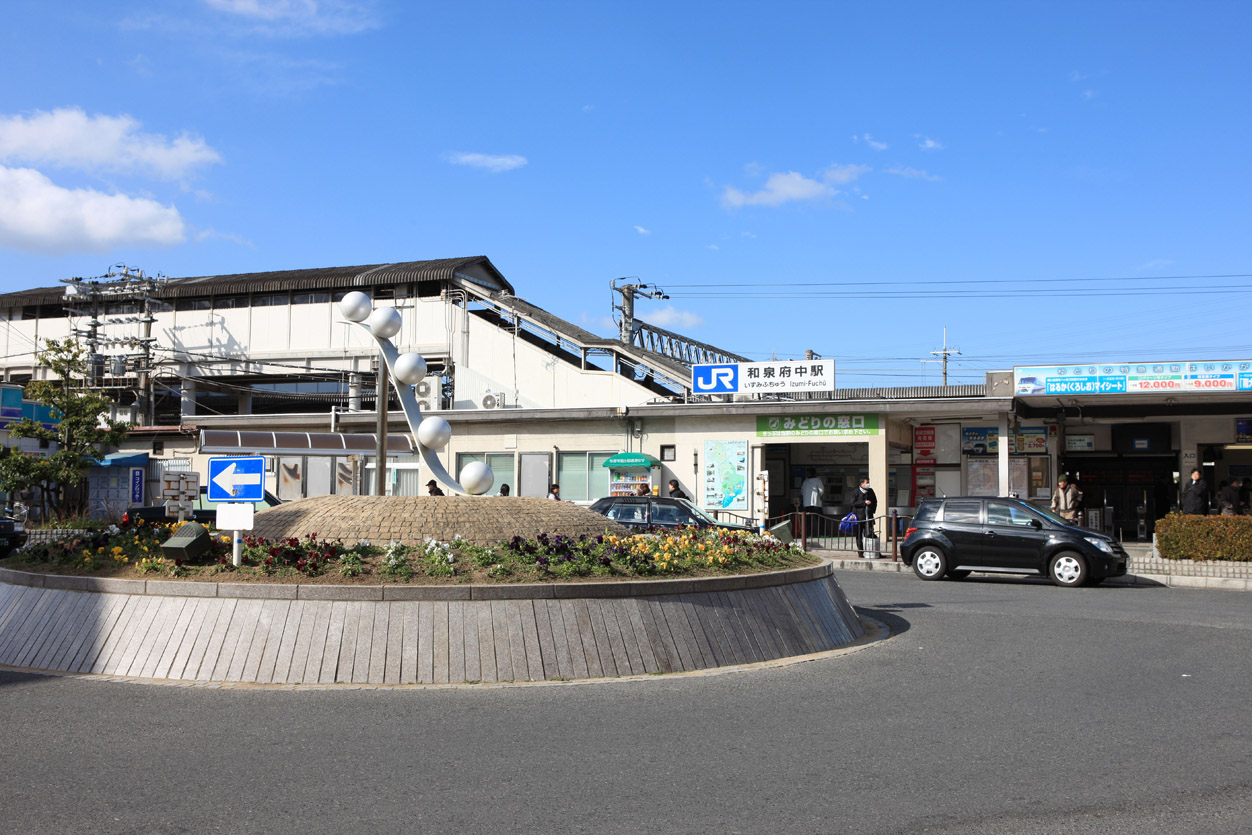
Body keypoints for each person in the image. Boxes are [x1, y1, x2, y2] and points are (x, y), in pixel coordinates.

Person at [851, 476, 878, 555]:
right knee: (859, 534)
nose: (868, 484)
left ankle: (870, 551)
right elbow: (853, 503)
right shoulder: (855, 492)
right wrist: (864, 502)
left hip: (868, 516)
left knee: (870, 533)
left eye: (868, 482)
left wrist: (872, 510)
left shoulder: (870, 491)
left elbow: (875, 501)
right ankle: (861, 551)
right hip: (859, 517)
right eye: (866, 483)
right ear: (861, 484)